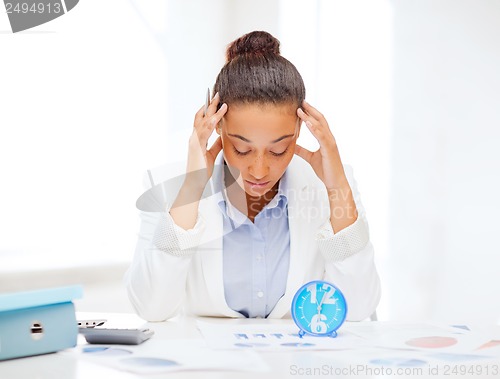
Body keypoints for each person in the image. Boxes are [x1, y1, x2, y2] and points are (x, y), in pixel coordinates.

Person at [124, 31, 381, 321]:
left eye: (279, 150)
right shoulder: (167, 186)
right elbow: (151, 308)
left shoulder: (331, 185)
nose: (259, 171)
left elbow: (359, 309)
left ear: (299, 131)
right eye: (242, 149)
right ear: (217, 128)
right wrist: (193, 187)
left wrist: (337, 189)